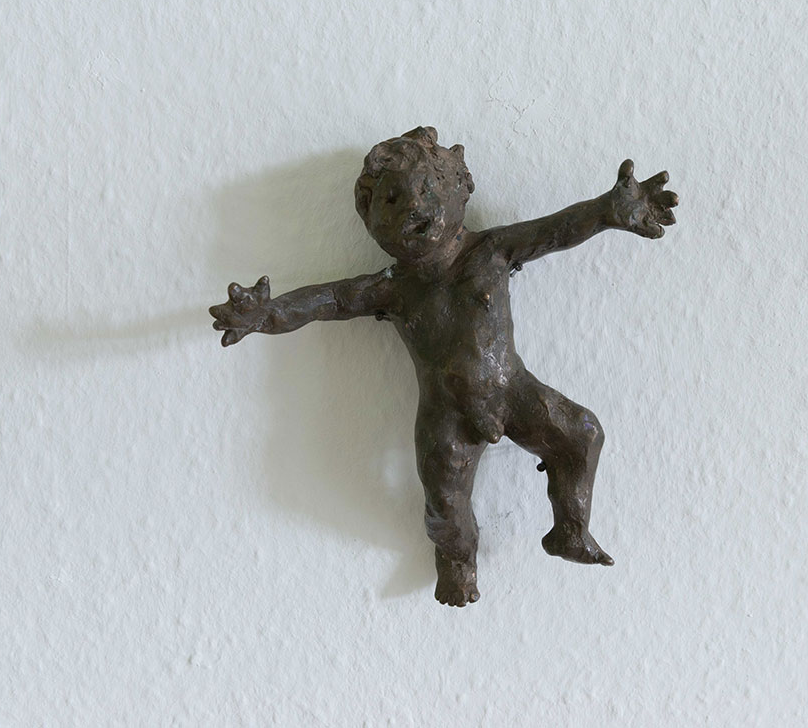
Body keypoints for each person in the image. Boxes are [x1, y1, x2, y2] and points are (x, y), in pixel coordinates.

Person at [210, 127, 678, 606]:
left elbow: (557, 230)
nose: (413, 207)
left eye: (427, 188)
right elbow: (328, 300)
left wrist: (609, 209)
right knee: (444, 509)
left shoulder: (491, 251)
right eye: (392, 200)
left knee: (582, 435)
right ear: (372, 224)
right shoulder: (393, 287)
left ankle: (570, 530)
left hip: (513, 392)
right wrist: (266, 315)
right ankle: (457, 562)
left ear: (459, 187)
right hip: (445, 418)